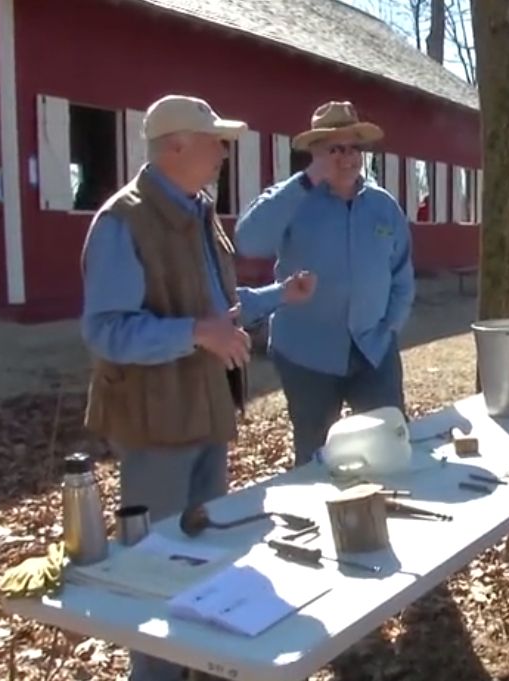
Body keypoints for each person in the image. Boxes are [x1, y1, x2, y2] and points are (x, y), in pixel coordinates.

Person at [80, 94, 316, 681]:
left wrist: (277, 296)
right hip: (155, 425)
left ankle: (203, 665)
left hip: (206, 414)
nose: (223, 151)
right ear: (175, 147)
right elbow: (106, 332)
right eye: (214, 141)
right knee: (158, 570)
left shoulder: (198, 212)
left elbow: (220, 312)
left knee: (206, 558)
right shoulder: (122, 222)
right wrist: (196, 334)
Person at [235, 101, 414, 468]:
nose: (347, 158)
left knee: (389, 444)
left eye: (354, 148)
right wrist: (308, 179)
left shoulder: (383, 207)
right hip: (307, 354)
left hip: (373, 350)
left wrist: (390, 325)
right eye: (335, 149)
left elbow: (402, 274)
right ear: (315, 153)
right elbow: (248, 240)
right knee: (316, 456)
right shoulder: (293, 200)